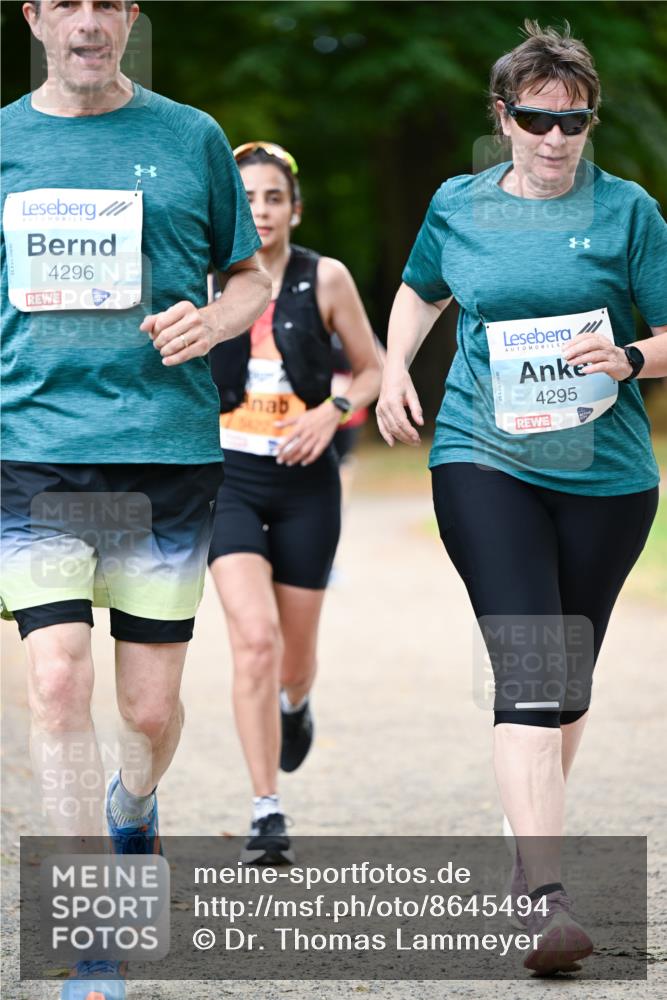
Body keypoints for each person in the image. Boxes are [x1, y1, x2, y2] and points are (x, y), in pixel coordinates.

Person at [376, 20, 667, 976]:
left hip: (607, 475)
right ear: (503, 116)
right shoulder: (458, 205)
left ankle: (523, 853)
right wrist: (392, 370)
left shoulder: (627, 212)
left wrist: (629, 357)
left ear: (589, 122)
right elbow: (422, 290)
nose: (554, 137)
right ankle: (544, 898)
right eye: (537, 118)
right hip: (482, 455)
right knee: (533, 670)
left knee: (565, 681)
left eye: (572, 121)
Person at [1, 2, 270, 997]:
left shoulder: (188, 135)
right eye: (65, 0)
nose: (87, 20)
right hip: (35, 452)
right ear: (35, 16)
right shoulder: (3, 144)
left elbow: (247, 277)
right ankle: (95, 937)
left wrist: (213, 320)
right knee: (59, 681)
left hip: (162, 452)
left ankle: (136, 800)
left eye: (106, 0)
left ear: (129, 18)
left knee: (148, 713)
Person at [207, 141, 381, 864]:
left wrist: (330, 411)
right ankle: (265, 811)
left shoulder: (326, 278)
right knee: (253, 642)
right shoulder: (206, 277)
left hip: (307, 486)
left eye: (273, 197)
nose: (261, 210)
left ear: (293, 208)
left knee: (293, 660)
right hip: (229, 483)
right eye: (247, 198)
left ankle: (297, 704)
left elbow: (371, 371)